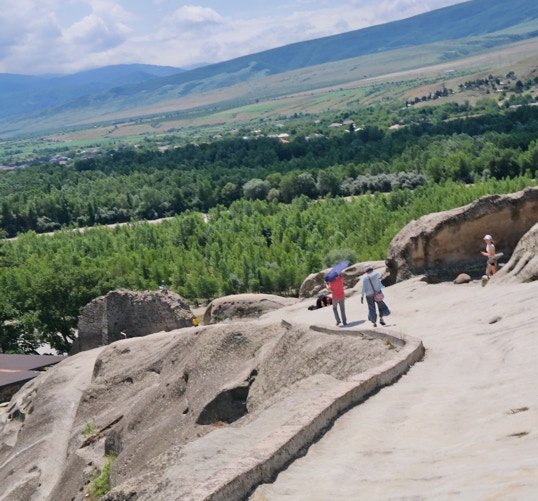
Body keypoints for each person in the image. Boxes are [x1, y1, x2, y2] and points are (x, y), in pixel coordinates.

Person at [361, 263, 390, 327]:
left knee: (371, 308)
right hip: (377, 294)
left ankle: (374, 322)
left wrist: (362, 297)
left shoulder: (364, 277)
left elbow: (363, 288)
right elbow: (380, 277)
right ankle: (381, 319)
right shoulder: (376, 273)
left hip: (369, 295)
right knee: (381, 306)